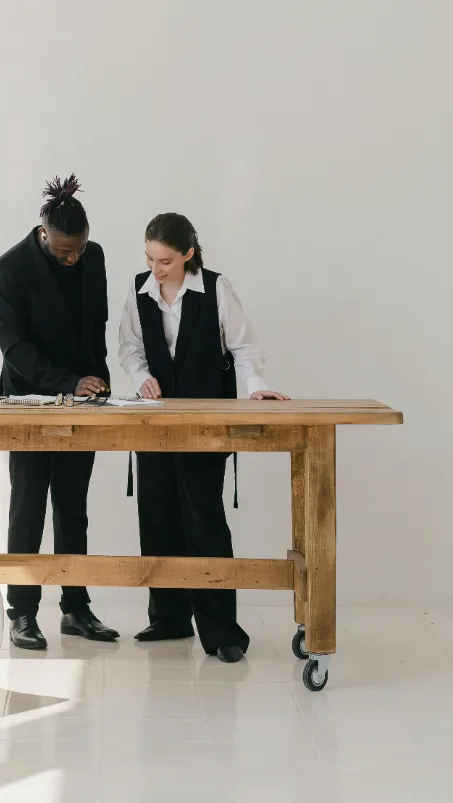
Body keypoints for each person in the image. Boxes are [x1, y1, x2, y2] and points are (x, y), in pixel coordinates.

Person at [118, 212, 289, 663]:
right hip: (153, 423)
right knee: (157, 517)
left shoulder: (215, 288)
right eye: (150, 259)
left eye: (166, 261)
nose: (156, 269)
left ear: (189, 254)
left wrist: (255, 388)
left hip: (206, 423)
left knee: (204, 522)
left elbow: (244, 346)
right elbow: (130, 348)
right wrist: (141, 378)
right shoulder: (140, 291)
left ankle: (221, 632)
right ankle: (168, 619)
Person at [0, 175, 119, 651]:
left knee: (73, 507)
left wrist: (98, 379)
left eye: (79, 249)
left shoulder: (94, 256)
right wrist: (68, 381)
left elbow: (97, 323)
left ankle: (76, 607)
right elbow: (15, 350)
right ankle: (22, 612)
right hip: (27, 402)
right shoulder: (7, 271)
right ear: (43, 233)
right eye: (65, 251)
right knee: (27, 510)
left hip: (84, 400)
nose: (74, 258)